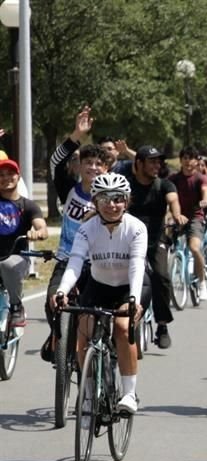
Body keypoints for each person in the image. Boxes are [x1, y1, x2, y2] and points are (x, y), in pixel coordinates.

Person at [52, 173, 149, 415]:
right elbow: (75, 262)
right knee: (83, 329)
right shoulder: (87, 229)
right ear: (95, 202)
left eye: (118, 198)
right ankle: (87, 392)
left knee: (122, 328)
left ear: (126, 201)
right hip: (99, 285)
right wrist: (62, 290)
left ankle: (128, 393)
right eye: (105, 198)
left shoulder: (136, 228)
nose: (112, 204)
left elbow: (137, 264)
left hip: (130, 286)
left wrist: (133, 300)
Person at [45, 107, 110, 354]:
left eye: (99, 164)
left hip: (100, 263)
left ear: (106, 169)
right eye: (88, 163)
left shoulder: (114, 198)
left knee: (98, 312)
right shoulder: (69, 190)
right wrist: (76, 135)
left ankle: (104, 350)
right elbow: (55, 162)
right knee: (53, 302)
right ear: (79, 166)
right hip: (67, 259)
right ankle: (60, 340)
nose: (93, 167)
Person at [119, 145, 185, 348]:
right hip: (128, 240)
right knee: (120, 276)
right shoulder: (126, 185)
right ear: (138, 163)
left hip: (157, 240)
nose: (157, 165)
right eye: (152, 161)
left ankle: (162, 325)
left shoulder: (164, 185)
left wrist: (176, 215)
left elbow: (173, 201)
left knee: (161, 276)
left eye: (159, 162)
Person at [0, 158, 47, 327]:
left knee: (8, 264)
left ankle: (16, 306)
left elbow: (42, 226)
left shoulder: (28, 206)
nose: (6, 177)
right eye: (1, 174)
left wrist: (38, 232)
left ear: (18, 177)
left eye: (10, 174)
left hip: (17, 258)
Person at [168, 146, 207, 301]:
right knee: (165, 244)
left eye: (191, 158)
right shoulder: (173, 179)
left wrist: (205, 201)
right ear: (180, 160)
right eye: (185, 158)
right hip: (178, 216)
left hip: (195, 217)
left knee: (194, 247)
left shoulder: (201, 178)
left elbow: (206, 191)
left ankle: (202, 283)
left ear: (196, 161)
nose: (188, 161)